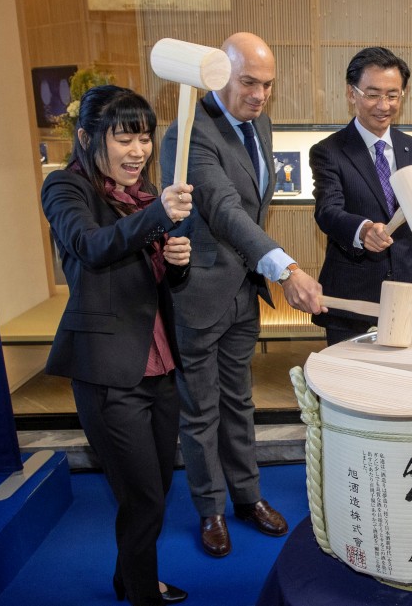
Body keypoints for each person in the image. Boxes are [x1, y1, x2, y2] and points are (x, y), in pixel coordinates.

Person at [160, 32, 323, 558]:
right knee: (201, 410)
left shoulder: (260, 123)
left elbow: (254, 206)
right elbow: (225, 209)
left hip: (241, 293)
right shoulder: (188, 132)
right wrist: (286, 268)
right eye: (249, 82)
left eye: (268, 85)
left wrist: (263, 270)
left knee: (240, 403)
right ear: (220, 74)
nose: (259, 95)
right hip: (198, 293)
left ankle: (248, 497)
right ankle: (210, 510)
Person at [42, 85, 192, 605]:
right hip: (108, 370)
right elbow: (90, 246)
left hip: (160, 365)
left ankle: (129, 578)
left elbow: (158, 285)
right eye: (123, 138)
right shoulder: (66, 188)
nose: (138, 151)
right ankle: (142, 592)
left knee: (156, 490)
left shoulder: (148, 197)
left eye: (144, 138)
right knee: (143, 495)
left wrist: (178, 263)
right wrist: (157, 219)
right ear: (87, 137)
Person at [310, 46, 412, 346]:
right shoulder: (329, 151)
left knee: (401, 382)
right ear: (351, 93)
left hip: (406, 290)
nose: (383, 105)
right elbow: (327, 211)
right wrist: (364, 229)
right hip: (353, 294)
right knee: (349, 385)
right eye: (372, 94)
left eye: (393, 95)